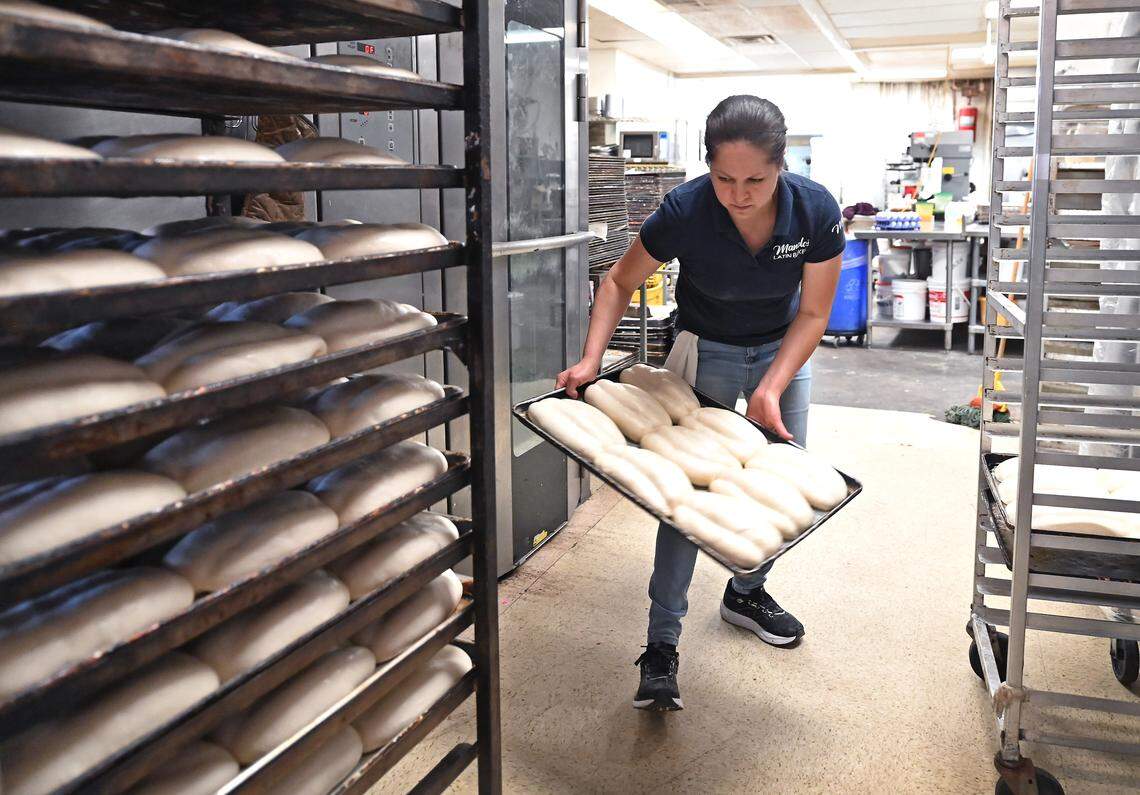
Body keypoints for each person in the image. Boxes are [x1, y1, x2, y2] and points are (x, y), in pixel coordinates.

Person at [556, 95, 844, 711]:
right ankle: (661, 645)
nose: (739, 195)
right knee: (686, 494)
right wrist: (589, 359)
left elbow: (816, 312)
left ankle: (746, 591)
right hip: (705, 348)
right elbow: (617, 280)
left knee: (781, 480)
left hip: (782, 351)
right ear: (706, 168)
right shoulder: (685, 209)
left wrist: (770, 388)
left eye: (756, 181)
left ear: (782, 166)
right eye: (724, 179)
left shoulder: (814, 209)